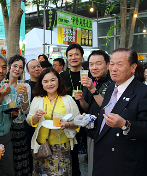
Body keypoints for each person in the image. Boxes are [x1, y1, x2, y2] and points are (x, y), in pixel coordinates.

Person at [93, 48, 147, 176]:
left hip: (124, 162)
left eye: (120, 64)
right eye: (112, 64)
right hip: (103, 156)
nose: (114, 68)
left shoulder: (143, 92)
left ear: (133, 67)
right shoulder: (111, 87)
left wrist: (125, 124)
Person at [26, 68, 80, 175]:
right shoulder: (37, 99)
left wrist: (67, 124)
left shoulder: (68, 99)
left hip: (62, 146)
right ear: (41, 83)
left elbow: (78, 121)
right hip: (42, 146)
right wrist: (36, 116)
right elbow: (29, 120)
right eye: (45, 81)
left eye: (53, 80)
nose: (49, 84)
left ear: (58, 81)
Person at [73, 50, 112, 176]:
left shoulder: (113, 83)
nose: (94, 67)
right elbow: (87, 107)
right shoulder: (91, 81)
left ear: (107, 64)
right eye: (91, 64)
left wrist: (92, 89)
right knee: (92, 168)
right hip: (92, 132)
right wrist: (81, 100)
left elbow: (107, 108)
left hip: (108, 133)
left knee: (107, 167)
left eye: (98, 63)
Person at [60, 43, 86, 176]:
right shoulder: (63, 76)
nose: (73, 57)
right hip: (69, 119)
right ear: (67, 58)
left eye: (76, 54)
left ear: (82, 56)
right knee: (72, 151)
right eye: (70, 55)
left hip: (87, 117)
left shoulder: (88, 74)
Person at [5, 55, 31, 175]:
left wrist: (25, 96)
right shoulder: (2, 84)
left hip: (19, 127)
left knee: (19, 161)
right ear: (9, 67)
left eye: (20, 67)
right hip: (4, 127)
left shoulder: (26, 86)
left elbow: (26, 111)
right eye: (15, 66)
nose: (17, 69)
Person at [24, 59, 42, 173]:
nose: (36, 69)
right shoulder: (25, 85)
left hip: (44, 122)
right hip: (30, 124)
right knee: (31, 151)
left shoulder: (46, 83)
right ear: (27, 71)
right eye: (33, 67)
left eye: (38, 66)